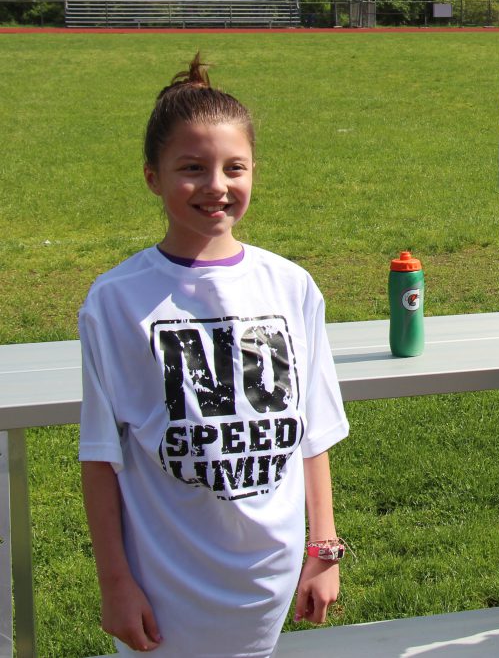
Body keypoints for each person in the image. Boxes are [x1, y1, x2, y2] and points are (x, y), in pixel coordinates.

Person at [79, 54, 349, 657]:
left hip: (269, 574)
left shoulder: (291, 287)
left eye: (234, 167)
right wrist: (115, 582)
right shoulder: (117, 301)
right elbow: (101, 458)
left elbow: (312, 434)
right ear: (152, 176)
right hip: (168, 584)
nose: (216, 186)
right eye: (192, 168)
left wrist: (323, 549)